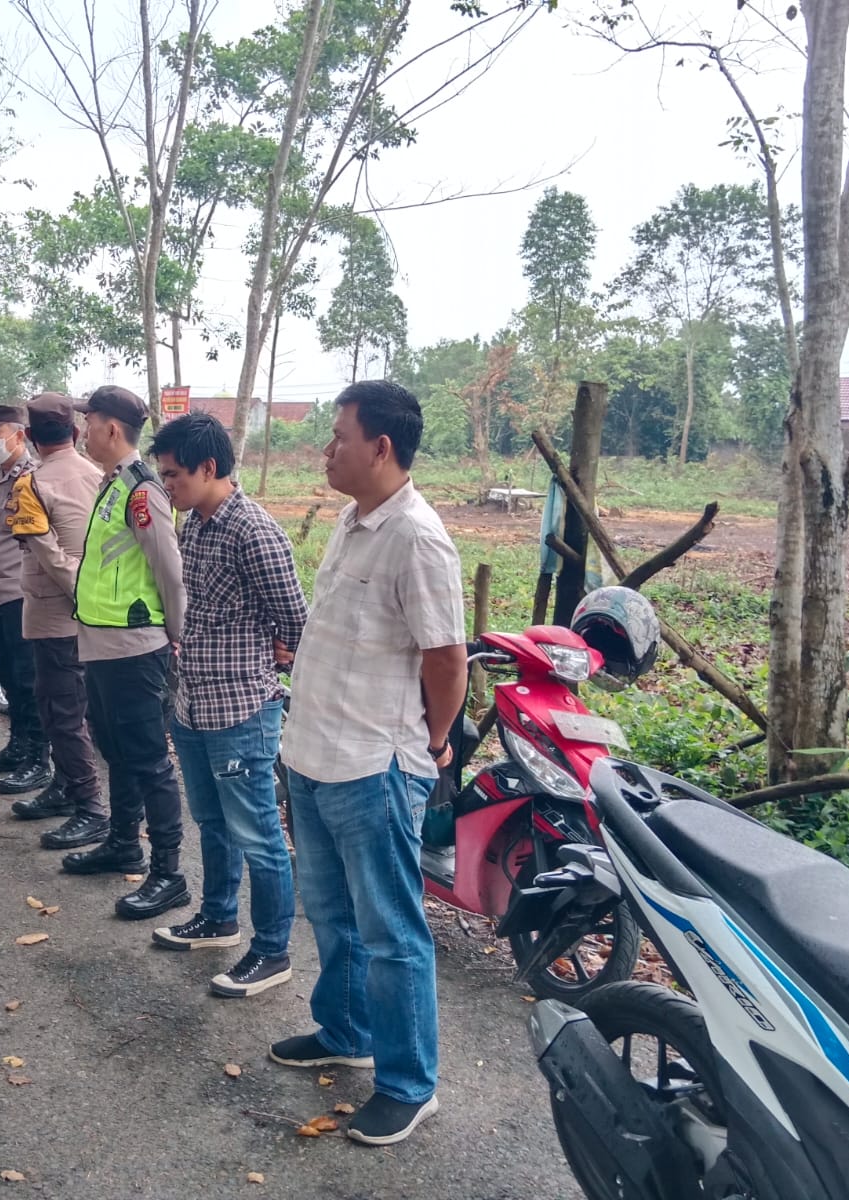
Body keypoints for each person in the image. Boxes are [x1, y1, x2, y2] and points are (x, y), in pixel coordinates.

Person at [271, 380, 467, 1147]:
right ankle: (345, 1029)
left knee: (391, 931)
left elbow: (447, 659)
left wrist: (436, 742)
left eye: (339, 435)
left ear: (380, 446)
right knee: (330, 913)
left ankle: (408, 1083)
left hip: (374, 765)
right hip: (316, 754)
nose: (328, 448)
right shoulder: (355, 524)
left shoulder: (417, 538)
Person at [148, 412, 306, 998]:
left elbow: (295, 620)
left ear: (208, 468)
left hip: (241, 709)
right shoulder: (196, 523)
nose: (167, 487)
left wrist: (271, 661)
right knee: (211, 822)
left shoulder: (253, 531)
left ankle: (272, 952)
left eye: (173, 476)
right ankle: (218, 919)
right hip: (192, 704)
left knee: (259, 833)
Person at [60, 385, 188, 921]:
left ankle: (169, 874)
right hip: (103, 643)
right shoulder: (112, 485)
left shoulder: (142, 490)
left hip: (136, 648)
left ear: (112, 429)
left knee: (150, 762)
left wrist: (176, 636)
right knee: (114, 748)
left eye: (88, 422)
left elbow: (169, 571)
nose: (82, 431)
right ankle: (122, 843)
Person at [4, 392, 108, 848]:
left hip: (57, 612)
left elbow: (53, 557)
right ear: (78, 432)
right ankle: (66, 787)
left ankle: (90, 806)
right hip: (92, 611)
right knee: (64, 707)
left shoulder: (33, 484)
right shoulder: (98, 475)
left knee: (62, 713)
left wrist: (82, 596)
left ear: (27, 436)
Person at [0, 403, 51, 796]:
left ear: (19, 434)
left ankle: (39, 758)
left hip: (23, 591)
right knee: (3, 667)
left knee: (27, 677)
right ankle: (18, 746)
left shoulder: (33, 476)